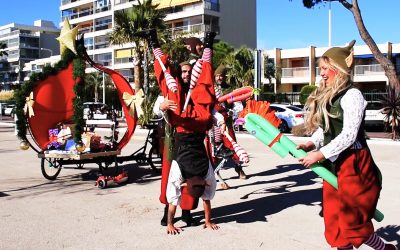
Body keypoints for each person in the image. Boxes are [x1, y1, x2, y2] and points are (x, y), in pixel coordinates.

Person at [297, 40, 396, 250]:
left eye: (325, 68)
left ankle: (386, 249)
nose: (321, 73)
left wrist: (319, 154)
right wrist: (310, 143)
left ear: (338, 68)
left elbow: (349, 134)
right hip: (333, 164)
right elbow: (325, 129)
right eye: (320, 68)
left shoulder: (353, 95)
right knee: (335, 223)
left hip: (355, 164)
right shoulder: (329, 96)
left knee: (352, 223)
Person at [145, 29, 220, 234]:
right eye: (184, 72)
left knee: (195, 182)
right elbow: (157, 106)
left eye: (189, 72)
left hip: (196, 140)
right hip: (175, 142)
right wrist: (160, 107)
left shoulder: (197, 90)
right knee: (172, 181)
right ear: (180, 73)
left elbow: (209, 92)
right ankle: (166, 213)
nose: (187, 75)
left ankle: (187, 213)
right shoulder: (173, 91)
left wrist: (213, 118)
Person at [213, 64, 247, 180]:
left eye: (221, 76)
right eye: (217, 76)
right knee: (213, 147)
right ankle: (213, 172)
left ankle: (239, 168)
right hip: (213, 122)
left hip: (226, 121)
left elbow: (237, 105)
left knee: (232, 145)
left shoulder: (229, 89)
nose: (219, 78)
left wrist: (233, 112)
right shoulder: (210, 87)